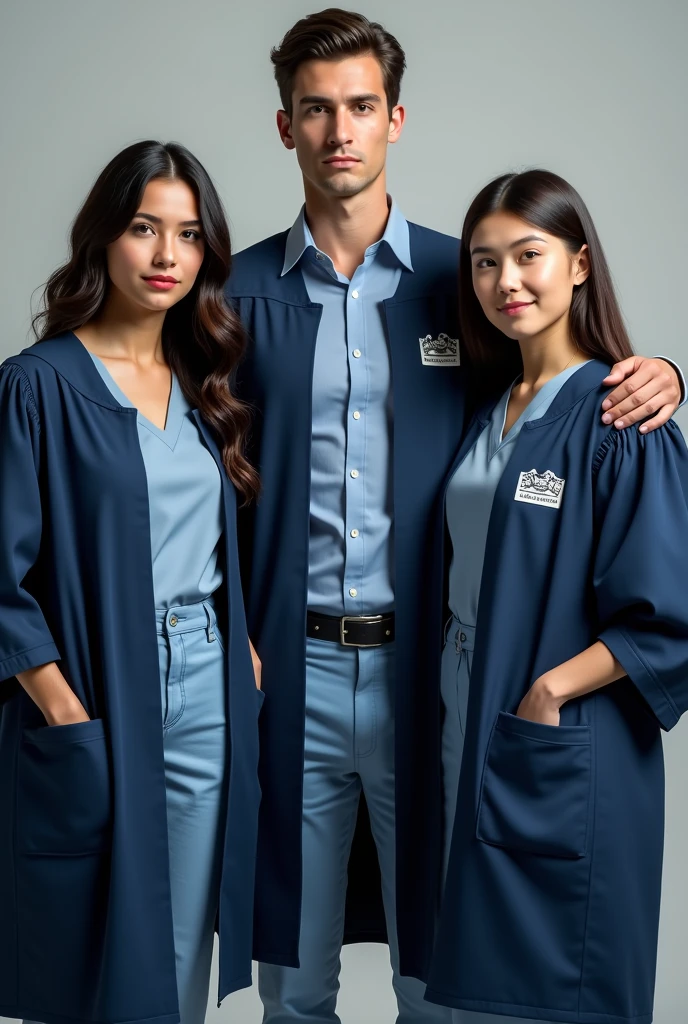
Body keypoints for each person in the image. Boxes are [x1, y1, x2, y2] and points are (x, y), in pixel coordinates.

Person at [227, 11, 684, 1022]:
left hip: (428, 676)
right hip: (293, 672)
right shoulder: (236, 292)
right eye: (315, 109)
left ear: (395, 118)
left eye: (359, 107)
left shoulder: (456, 282)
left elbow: (564, 385)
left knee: (438, 969)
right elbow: (179, 464)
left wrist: (661, 372)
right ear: (284, 126)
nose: (338, 130)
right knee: (291, 978)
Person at [0, 140, 263, 1024]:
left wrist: (242, 646)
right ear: (103, 236)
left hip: (205, 684)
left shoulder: (204, 382)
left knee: (183, 940)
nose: (165, 257)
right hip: (95, 683)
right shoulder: (38, 387)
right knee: (87, 937)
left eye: (188, 237)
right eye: (144, 228)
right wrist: (61, 705)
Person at [423, 169, 688, 1024]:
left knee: (562, 983)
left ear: (578, 263)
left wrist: (548, 693)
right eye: (484, 262)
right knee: (478, 984)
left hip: (560, 726)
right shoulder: (492, 405)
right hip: (468, 706)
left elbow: (670, 613)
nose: (507, 282)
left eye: (529, 256)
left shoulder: (622, 418)